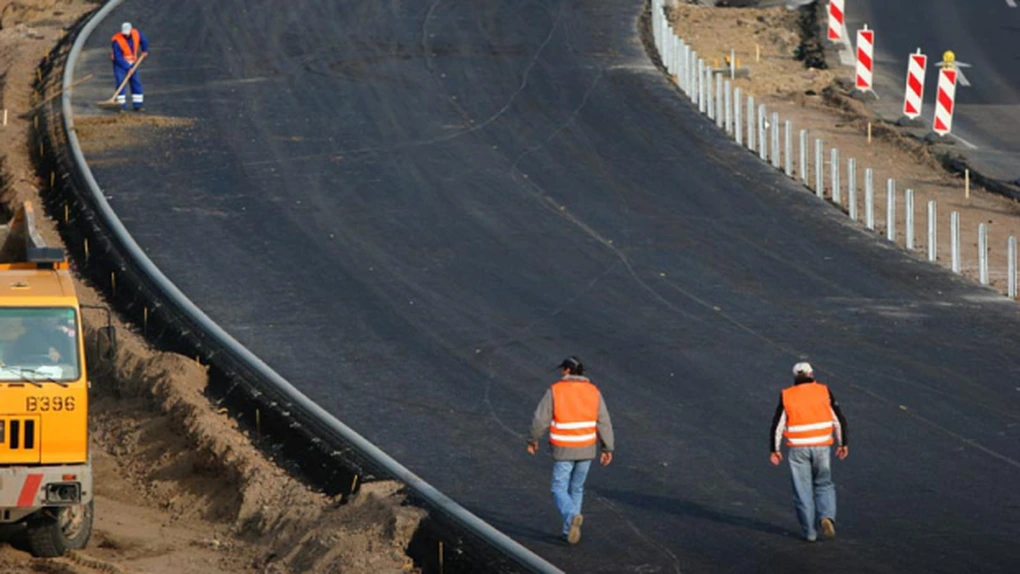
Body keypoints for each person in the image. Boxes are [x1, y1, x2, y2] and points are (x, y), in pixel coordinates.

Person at [527, 356, 614, 545]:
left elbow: (540, 419)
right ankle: (568, 532)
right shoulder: (593, 392)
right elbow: (603, 421)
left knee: (558, 487)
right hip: (586, 448)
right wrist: (607, 448)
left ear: (567, 370)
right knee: (577, 488)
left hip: (564, 448)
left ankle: (571, 515)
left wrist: (533, 439)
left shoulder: (556, 390)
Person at [769, 362, 849, 542]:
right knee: (824, 484)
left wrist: (775, 449)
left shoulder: (787, 395)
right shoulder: (823, 391)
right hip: (821, 446)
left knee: (802, 490)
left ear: (795, 377)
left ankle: (809, 532)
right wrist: (843, 443)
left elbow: (778, 425)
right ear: (811, 374)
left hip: (798, 449)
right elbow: (838, 419)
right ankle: (826, 516)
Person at [111, 22, 149, 111]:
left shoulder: (136, 34)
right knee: (121, 82)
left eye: (128, 34)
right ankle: (121, 106)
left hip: (132, 63)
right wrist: (127, 68)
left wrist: (145, 49)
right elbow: (117, 57)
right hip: (120, 64)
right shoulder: (117, 41)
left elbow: (144, 40)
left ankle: (138, 105)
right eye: (125, 34)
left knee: (136, 82)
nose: (126, 36)